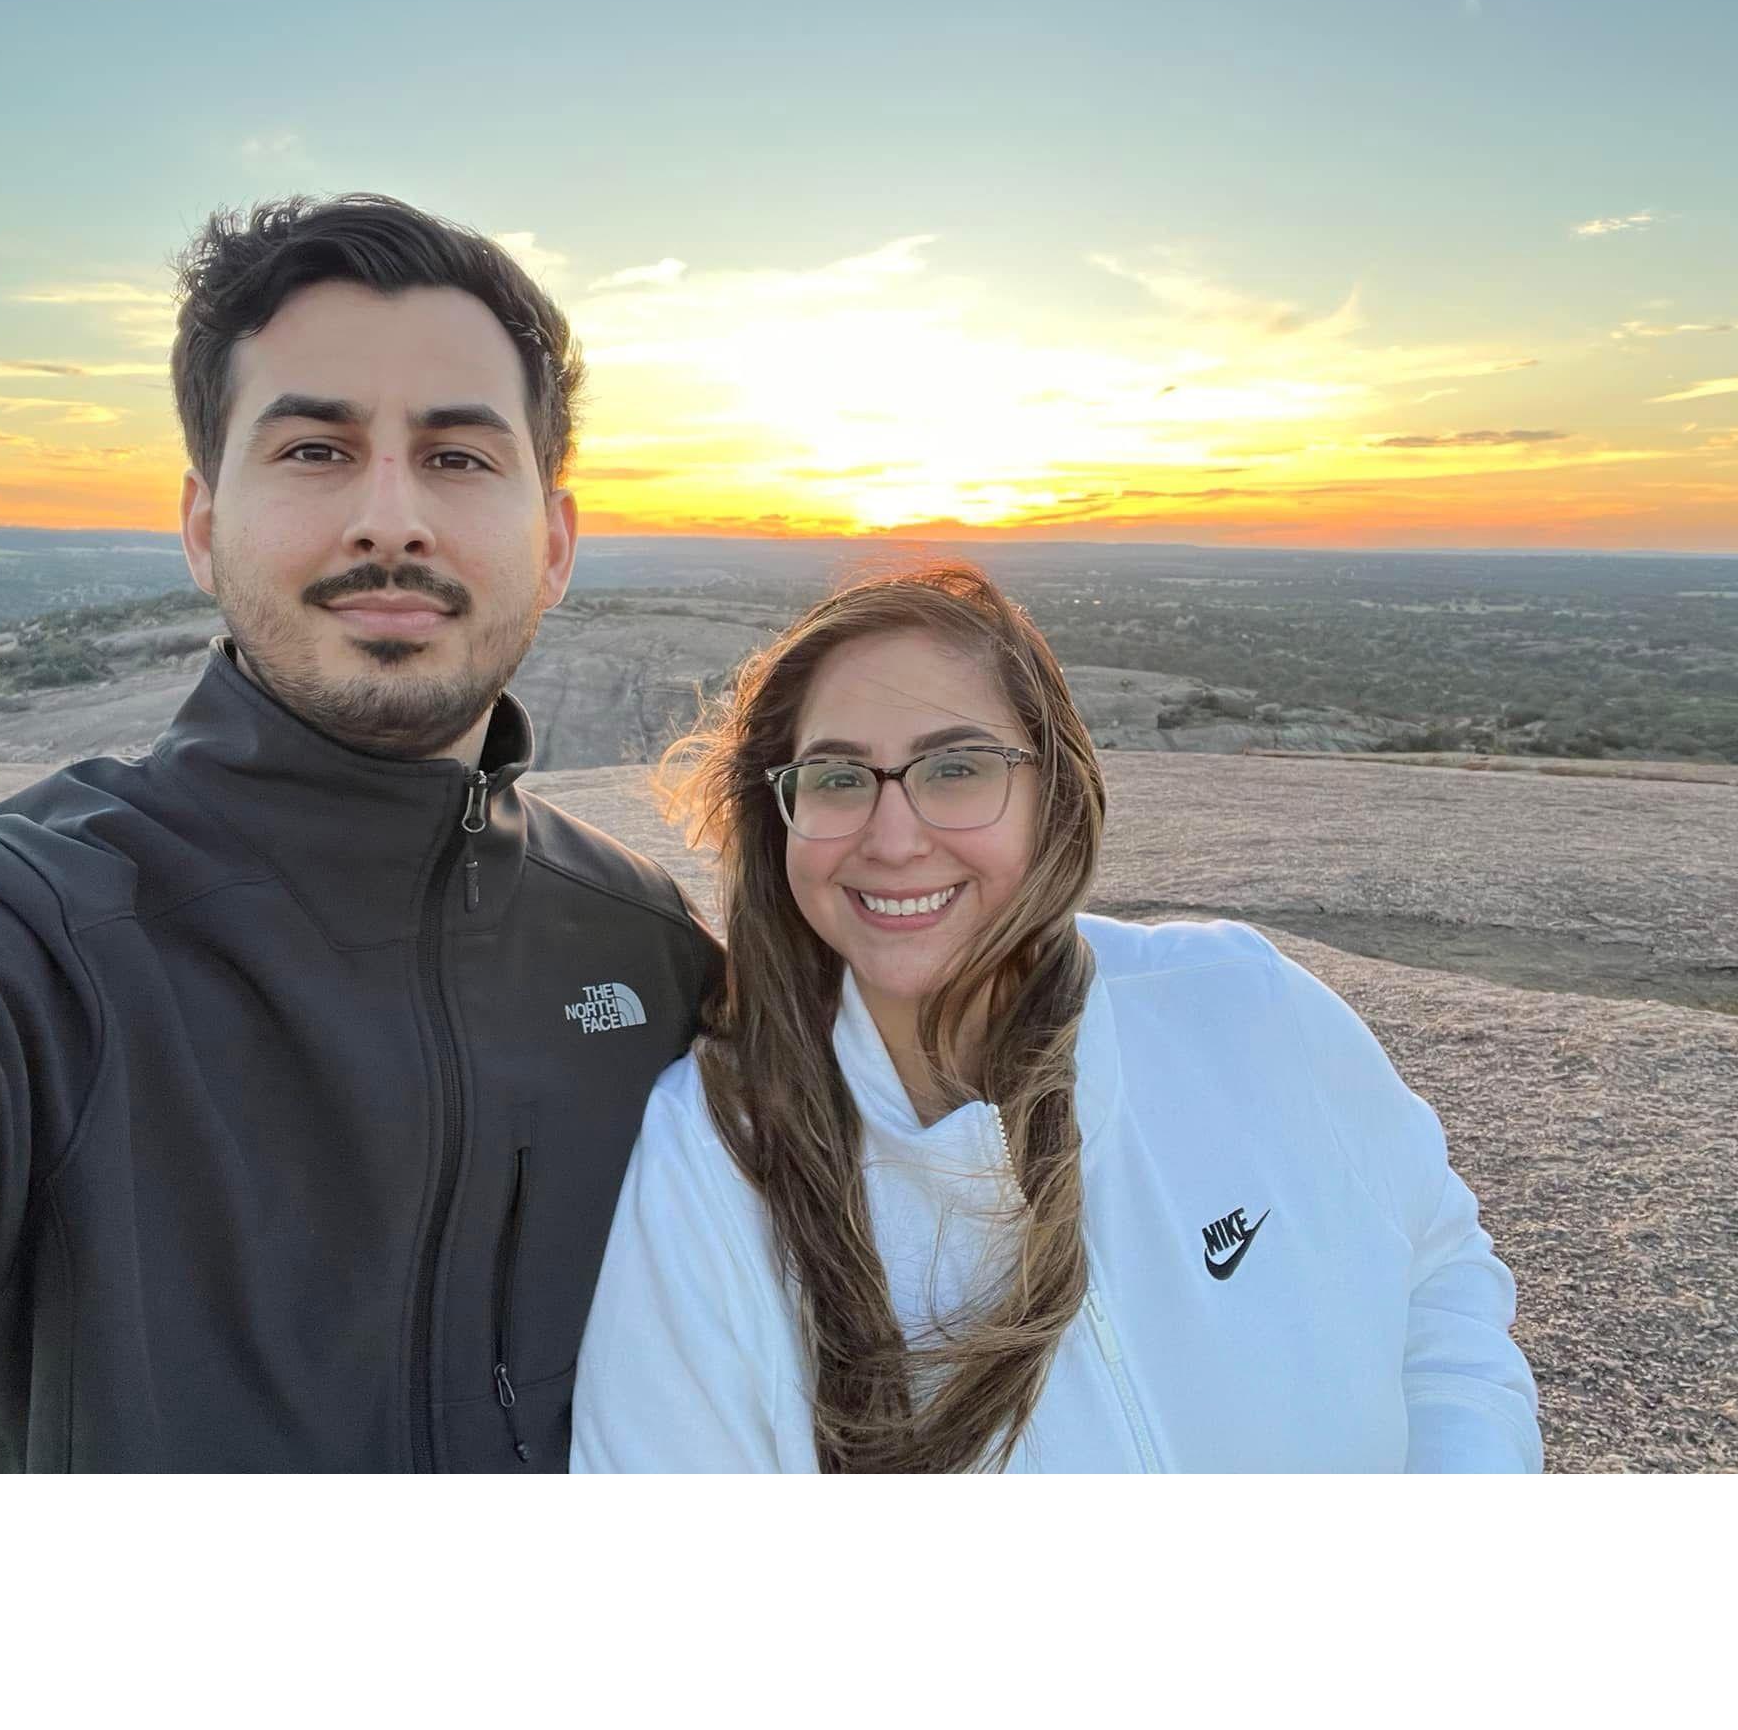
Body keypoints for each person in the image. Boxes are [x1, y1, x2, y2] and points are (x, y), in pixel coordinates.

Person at [0, 193, 720, 1472]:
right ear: (204, 527)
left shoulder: (645, 946)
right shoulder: (27, 938)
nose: (390, 516)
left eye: (458, 455)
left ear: (553, 542)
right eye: (314, 448)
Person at [571, 561, 1543, 1473]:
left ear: (1055, 793)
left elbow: (1436, 1268)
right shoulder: (719, 1152)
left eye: (956, 768)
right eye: (836, 777)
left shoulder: (1239, 1003)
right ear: (779, 816)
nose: (894, 839)